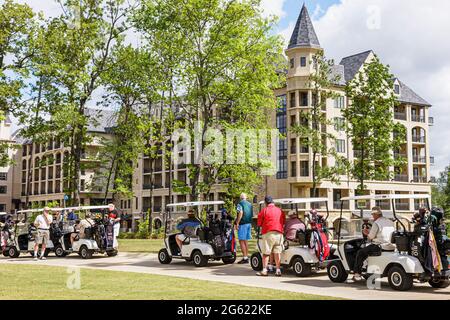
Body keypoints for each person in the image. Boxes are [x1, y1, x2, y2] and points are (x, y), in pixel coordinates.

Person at [353, 206, 395, 281]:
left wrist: (366, 233)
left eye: (373, 215)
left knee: (360, 252)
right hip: (391, 246)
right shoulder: (390, 222)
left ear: (376, 215)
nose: (372, 216)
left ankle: (357, 273)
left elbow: (371, 237)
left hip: (379, 246)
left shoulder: (376, 223)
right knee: (366, 250)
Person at [256, 196, 285, 277]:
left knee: (266, 253)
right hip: (279, 233)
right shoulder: (279, 210)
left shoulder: (264, 210)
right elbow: (283, 221)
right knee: (277, 252)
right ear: (273, 202)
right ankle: (278, 270)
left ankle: (265, 270)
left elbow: (259, 223)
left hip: (268, 232)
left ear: (266, 202)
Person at [235, 193, 254, 264]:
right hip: (249, 223)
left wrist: (237, 223)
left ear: (240, 198)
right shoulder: (250, 204)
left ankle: (245, 257)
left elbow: (240, 213)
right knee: (245, 241)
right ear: (246, 197)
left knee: (241, 241)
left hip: (243, 223)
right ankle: (246, 256)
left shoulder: (239, 204)